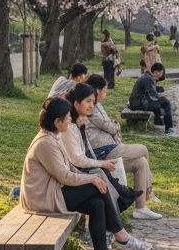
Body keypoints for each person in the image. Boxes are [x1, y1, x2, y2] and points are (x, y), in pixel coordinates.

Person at [20, 97, 152, 250]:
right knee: (96, 186)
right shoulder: (46, 143)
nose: (70, 119)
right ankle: (121, 236)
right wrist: (92, 179)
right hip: (42, 198)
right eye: (67, 116)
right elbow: (65, 176)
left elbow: (69, 168)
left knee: (96, 203)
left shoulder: (54, 136)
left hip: (54, 191)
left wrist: (93, 178)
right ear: (57, 121)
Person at [68, 81, 161, 220]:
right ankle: (148, 189)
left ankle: (141, 208)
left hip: (104, 152)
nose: (91, 105)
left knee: (140, 162)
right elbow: (109, 127)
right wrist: (100, 163)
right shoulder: (72, 123)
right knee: (143, 149)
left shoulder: (86, 114)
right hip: (101, 155)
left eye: (92, 102)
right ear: (76, 103)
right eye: (88, 101)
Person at [130, 62, 179, 135]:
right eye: (160, 73)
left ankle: (158, 121)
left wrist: (160, 91)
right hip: (139, 104)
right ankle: (169, 128)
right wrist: (162, 97)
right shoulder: (148, 79)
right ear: (156, 72)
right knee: (166, 103)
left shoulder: (147, 76)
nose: (160, 75)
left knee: (157, 102)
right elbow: (154, 95)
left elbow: (151, 89)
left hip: (136, 102)